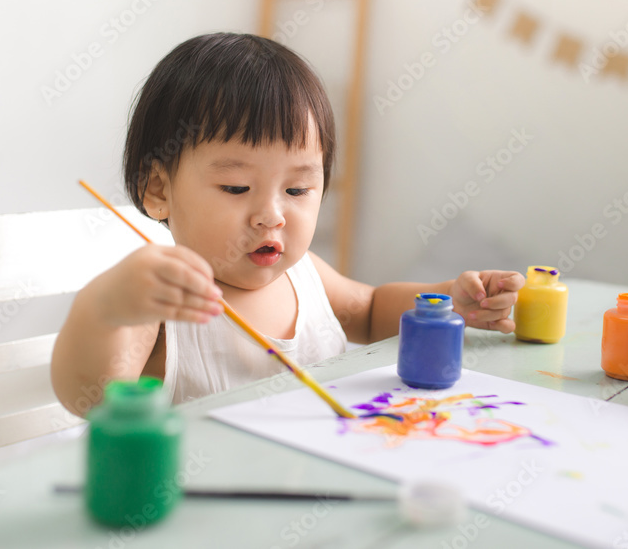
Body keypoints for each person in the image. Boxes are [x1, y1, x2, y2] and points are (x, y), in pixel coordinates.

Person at [51, 33, 525, 416]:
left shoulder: (305, 276)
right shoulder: (159, 305)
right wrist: (109, 308)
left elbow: (375, 308)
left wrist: (446, 305)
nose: (272, 215)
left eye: (297, 191)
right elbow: (90, 397)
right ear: (158, 189)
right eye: (237, 188)